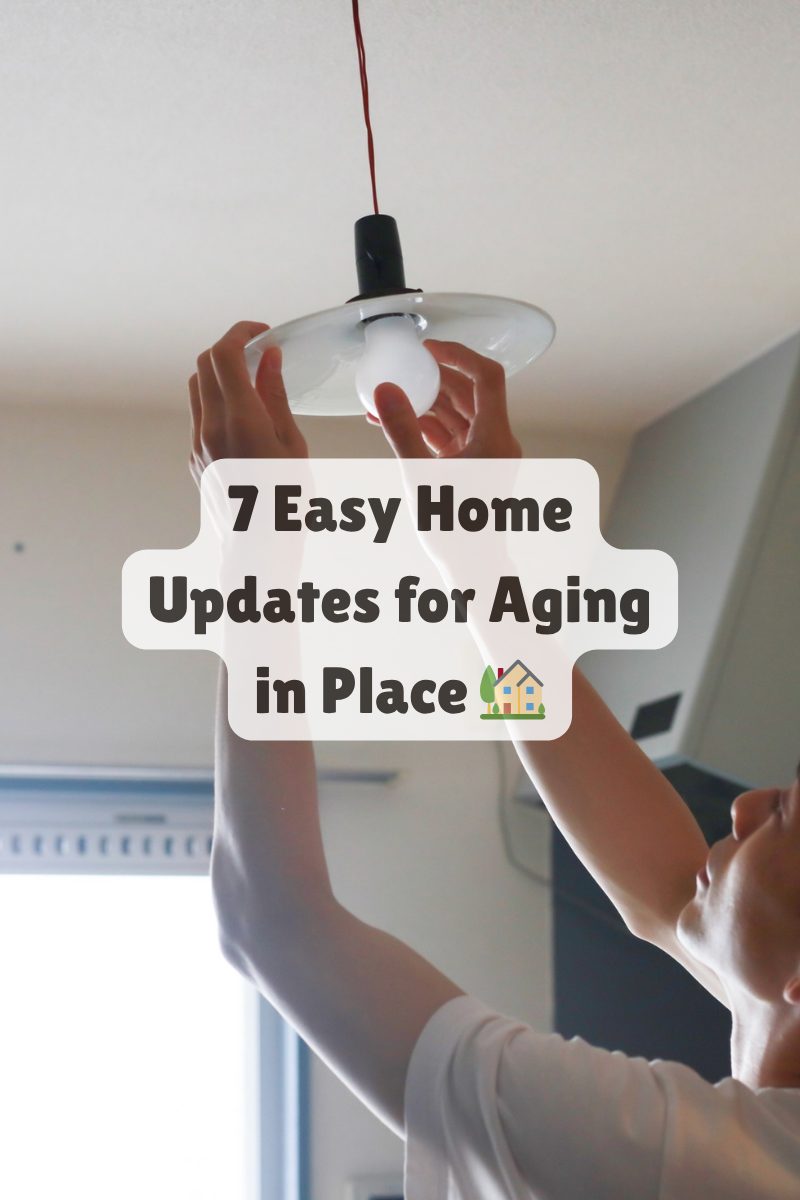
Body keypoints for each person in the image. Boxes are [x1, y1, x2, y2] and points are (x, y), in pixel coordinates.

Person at [188, 320, 800, 1198]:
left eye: (783, 817)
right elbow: (661, 887)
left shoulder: (684, 1161)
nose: (741, 808)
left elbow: (272, 920)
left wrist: (254, 550)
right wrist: (476, 557)